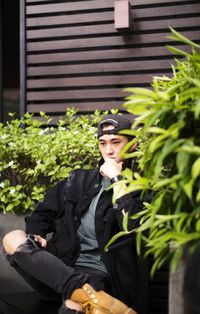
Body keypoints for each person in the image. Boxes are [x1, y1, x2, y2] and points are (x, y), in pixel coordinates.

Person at [2, 114, 142, 314]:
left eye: (116, 142)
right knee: (12, 238)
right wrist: (37, 234)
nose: (108, 150)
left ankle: (82, 295)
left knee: (73, 307)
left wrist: (117, 179)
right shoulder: (78, 179)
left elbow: (133, 228)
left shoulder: (139, 189)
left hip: (98, 276)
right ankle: (86, 293)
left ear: (133, 145)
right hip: (56, 269)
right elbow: (43, 213)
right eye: (103, 143)